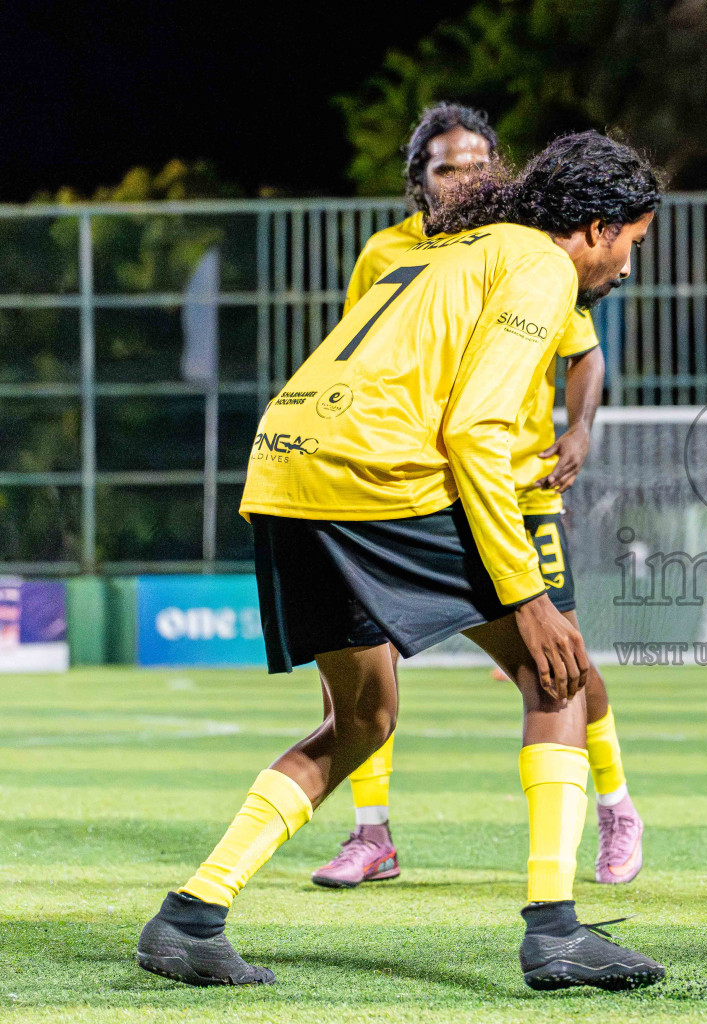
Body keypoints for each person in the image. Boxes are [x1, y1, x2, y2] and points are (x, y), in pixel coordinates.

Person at [135, 131, 665, 991]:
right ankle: (557, 930)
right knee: (554, 672)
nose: (630, 266)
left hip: (286, 465)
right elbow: (476, 432)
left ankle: (192, 915)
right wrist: (526, 595)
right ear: (598, 227)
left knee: (364, 720)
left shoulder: (447, 250)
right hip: (375, 472)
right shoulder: (540, 266)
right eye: (634, 243)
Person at [313, 102, 644, 892]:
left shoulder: (530, 253)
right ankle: (371, 832)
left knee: (558, 655)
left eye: (477, 164)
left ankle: (615, 803)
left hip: (512, 483)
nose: (463, 177)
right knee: (364, 663)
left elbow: (583, 352)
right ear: (417, 182)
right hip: (415, 487)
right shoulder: (385, 255)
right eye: (445, 166)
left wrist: (578, 431)